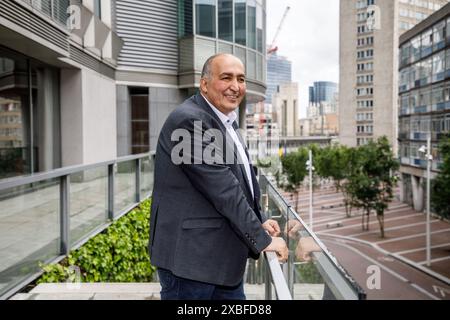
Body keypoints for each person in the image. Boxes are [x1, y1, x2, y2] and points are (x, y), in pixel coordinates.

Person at [149, 53, 288, 300]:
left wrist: (259, 220)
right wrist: (262, 239)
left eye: (241, 79)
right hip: (192, 266)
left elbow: (241, 179)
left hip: (221, 264)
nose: (236, 86)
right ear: (204, 84)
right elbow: (223, 188)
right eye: (226, 78)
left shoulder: (225, 121)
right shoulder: (189, 121)